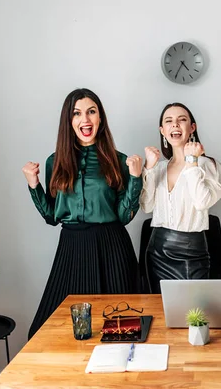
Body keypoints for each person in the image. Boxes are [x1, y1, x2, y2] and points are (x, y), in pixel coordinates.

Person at [22, 88, 143, 339]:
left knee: (121, 329)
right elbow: (52, 217)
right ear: (69, 121)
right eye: (77, 113)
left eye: (91, 112)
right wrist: (34, 185)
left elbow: (124, 215)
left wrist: (135, 178)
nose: (85, 120)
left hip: (112, 247)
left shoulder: (118, 160)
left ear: (100, 118)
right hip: (73, 248)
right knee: (52, 332)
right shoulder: (54, 162)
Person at [140, 103, 221, 293]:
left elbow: (202, 202)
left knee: (194, 313)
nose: (175, 125)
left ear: (192, 128)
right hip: (157, 250)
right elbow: (146, 206)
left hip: (192, 251)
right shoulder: (159, 167)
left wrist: (192, 162)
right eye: (169, 121)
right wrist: (150, 169)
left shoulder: (207, 165)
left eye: (182, 120)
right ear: (163, 131)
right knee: (161, 312)